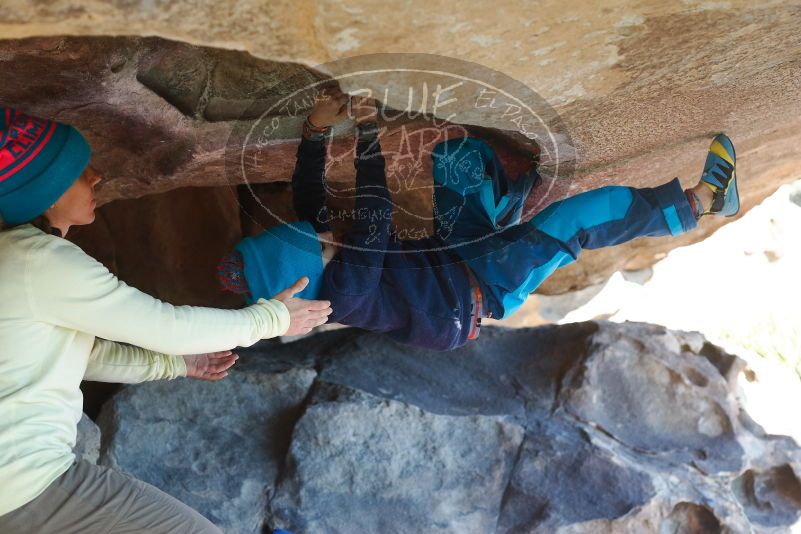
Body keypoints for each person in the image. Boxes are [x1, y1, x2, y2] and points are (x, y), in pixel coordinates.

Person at [0, 106, 332, 533]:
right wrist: (271, 319)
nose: (98, 176)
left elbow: (85, 355)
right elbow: (167, 326)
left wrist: (176, 364)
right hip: (26, 485)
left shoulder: (16, 262)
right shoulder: (39, 263)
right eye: (79, 170)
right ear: (44, 190)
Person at [217, 89, 738, 352]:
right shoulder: (346, 293)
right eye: (323, 245)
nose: (327, 233)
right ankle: (701, 202)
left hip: (451, 254)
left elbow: (309, 196)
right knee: (577, 219)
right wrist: (369, 129)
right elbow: (375, 210)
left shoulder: (317, 258)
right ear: (313, 283)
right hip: (482, 288)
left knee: (457, 161)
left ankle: (508, 214)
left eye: (317, 236)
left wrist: (314, 130)